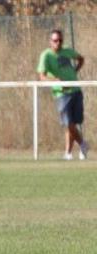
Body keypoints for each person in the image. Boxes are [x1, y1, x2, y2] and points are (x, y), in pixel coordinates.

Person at [37, 29, 87, 161]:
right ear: (50, 41)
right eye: (55, 40)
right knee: (68, 123)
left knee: (72, 124)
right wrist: (56, 81)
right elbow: (42, 77)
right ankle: (83, 144)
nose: (58, 43)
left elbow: (81, 59)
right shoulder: (46, 56)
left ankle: (68, 153)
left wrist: (75, 71)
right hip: (62, 93)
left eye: (60, 40)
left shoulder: (67, 51)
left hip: (75, 90)